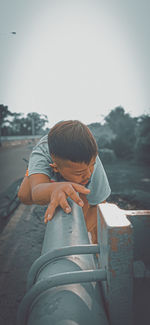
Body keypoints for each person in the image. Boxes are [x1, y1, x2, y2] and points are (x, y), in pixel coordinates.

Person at [18, 120, 111, 243]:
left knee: (84, 199)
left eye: (91, 166)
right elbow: (36, 192)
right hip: (47, 161)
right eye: (79, 172)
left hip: (77, 167)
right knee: (24, 196)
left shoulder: (90, 159)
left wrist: (78, 238)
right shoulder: (42, 153)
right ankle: (35, 171)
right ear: (55, 168)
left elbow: (99, 204)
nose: (88, 174)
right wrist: (54, 189)